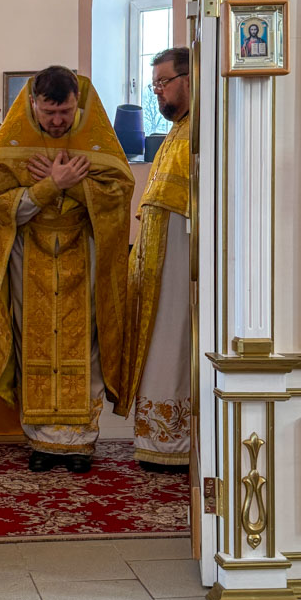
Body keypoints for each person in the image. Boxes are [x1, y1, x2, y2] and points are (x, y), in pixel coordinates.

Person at [0, 65, 133, 473]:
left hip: (84, 254)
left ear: (77, 103)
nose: (59, 121)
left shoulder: (96, 139)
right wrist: (51, 185)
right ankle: (41, 441)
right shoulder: (12, 144)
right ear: (33, 103)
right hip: (29, 256)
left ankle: (81, 442)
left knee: (87, 342)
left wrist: (69, 182)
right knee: (32, 340)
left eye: (66, 112)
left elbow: (118, 195)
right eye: (49, 112)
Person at [120, 47, 190, 469]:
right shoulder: (176, 132)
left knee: (173, 344)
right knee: (159, 344)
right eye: (154, 86)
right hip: (159, 264)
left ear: (189, 78)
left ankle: (174, 443)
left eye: (163, 82)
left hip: (181, 264)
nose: (158, 92)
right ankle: (158, 439)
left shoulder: (201, 130)